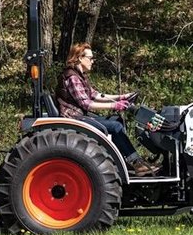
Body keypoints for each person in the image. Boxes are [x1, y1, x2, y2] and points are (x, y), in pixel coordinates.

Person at [55, 42, 160, 176]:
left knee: (116, 120)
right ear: (80, 58)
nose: (92, 61)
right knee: (115, 126)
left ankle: (127, 162)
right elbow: (87, 104)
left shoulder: (80, 76)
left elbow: (95, 95)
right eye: (90, 58)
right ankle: (136, 163)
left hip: (80, 115)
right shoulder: (72, 78)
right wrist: (114, 105)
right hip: (74, 118)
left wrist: (122, 97)